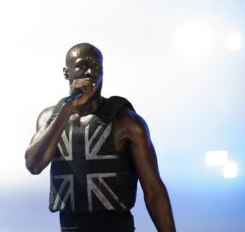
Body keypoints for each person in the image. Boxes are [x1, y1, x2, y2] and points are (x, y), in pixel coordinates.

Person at [25, 43, 176, 231]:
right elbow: (34, 165)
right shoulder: (49, 119)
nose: (90, 72)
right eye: (82, 65)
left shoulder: (126, 122)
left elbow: (153, 190)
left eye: (96, 66)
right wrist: (66, 110)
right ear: (67, 73)